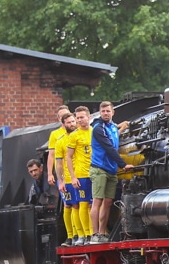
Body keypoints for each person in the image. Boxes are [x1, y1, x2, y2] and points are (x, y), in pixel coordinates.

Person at [89, 101, 134, 243]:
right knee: (97, 201)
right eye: (103, 111)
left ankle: (103, 233)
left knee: (108, 202)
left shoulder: (113, 127)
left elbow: (116, 131)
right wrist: (123, 164)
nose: (105, 114)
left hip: (111, 170)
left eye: (108, 111)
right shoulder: (98, 128)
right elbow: (109, 147)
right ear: (100, 113)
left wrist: (126, 125)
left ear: (113, 112)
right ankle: (95, 234)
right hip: (99, 168)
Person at [66, 106, 94, 245]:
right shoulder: (74, 135)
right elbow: (69, 157)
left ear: (88, 117)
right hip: (81, 174)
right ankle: (85, 234)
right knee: (82, 204)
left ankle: (94, 232)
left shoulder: (94, 132)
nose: (79, 120)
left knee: (92, 205)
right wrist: (73, 177)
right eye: (77, 118)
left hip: (94, 172)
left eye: (82, 117)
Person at [54, 112, 84, 246]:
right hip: (67, 178)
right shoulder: (60, 141)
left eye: (73, 121)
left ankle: (82, 234)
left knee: (82, 204)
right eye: (69, 122)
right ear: (63, 124)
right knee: (69, 204)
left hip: (81, 175)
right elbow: (58, 163)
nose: (72, 124)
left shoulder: (81, 135)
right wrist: (60, 181)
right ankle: (71, 236)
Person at [46, 105, 71, 188]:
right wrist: (50, 174)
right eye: (62, 116)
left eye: (66, 115)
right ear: (59, 119)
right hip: (62, 172)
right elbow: (51, 155)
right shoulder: (55, 134)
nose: (64, 117)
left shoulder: (77, 131)